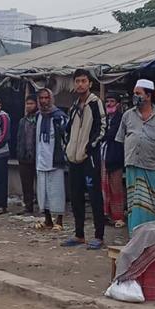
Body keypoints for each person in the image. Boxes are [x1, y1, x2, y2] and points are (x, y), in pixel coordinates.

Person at [116, 79, 155, 234]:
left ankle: (151, 236)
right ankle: (135, 235)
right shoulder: (127, 116)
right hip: (132, 165)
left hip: (152, 167)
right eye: (134, 93)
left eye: (138, 93)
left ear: (148, 95)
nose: (135, 96)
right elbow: (120, 139)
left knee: (152, 204)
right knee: (134, 203)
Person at [63, 69, 107, 249]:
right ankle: (79, 234)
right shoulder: (74, 106)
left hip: (90, 159)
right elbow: (67, 130)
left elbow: (102, 128)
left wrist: (90, 147)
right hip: (73, 158)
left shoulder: (96, 103)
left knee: (95, 197)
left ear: (90, 83)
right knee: (76, 197)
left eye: (83, 81)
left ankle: (99, 236)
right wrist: (67, 148)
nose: (80, 84)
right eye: (77, 81)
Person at [34, 88, 68, 231]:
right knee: (44, 192)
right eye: (41, 98)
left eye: (46, 98)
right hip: (41, 159)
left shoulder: (59, 117)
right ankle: (48, 220)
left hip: (55, 159)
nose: (44, 101)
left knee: (57, 191)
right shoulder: (38, 116)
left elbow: (66, 136)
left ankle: (59, 220)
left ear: (51, 99)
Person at [101, 92, 126, 228]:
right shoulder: (104, 119)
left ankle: (118, 217)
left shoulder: (121, 119)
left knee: (116, 189)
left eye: (112, 101)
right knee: (104, 188)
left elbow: (111, 135)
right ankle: (106, 215)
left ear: (118, 104)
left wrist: (103, 135)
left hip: (116, 157)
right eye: (107, 101)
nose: (109, 104)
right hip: (104, 157)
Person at [16, 94, 39, 215]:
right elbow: (19, 138)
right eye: (27, 104)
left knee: (41, 183)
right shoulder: (22, 121)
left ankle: (43, 207)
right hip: (24, 157)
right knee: (26, 184)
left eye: (31, 103)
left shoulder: (40, 119)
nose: (29, 106)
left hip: (38, 157)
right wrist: (19, 153)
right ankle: (28, 206)